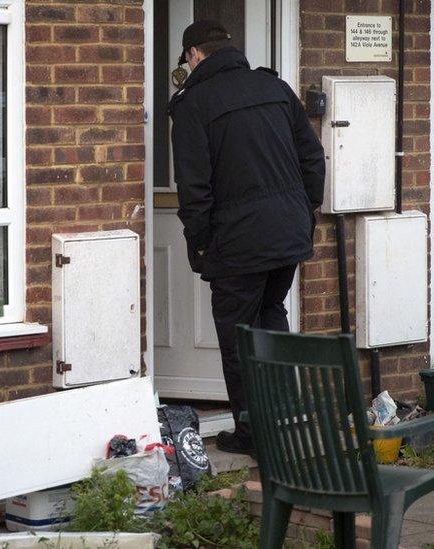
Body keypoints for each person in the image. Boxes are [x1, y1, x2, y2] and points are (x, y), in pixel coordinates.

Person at [168, 20, 325, 456]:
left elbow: (194, 187)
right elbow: (313, 157)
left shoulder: (194, 104)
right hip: (288, 234)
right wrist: (304, 212)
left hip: (238, 242)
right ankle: (283, 423)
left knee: (239, 337)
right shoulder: (275, 89)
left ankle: (254, 433)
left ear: (195, 54)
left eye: (186, 59)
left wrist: (199, 243)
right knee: (271, 317)